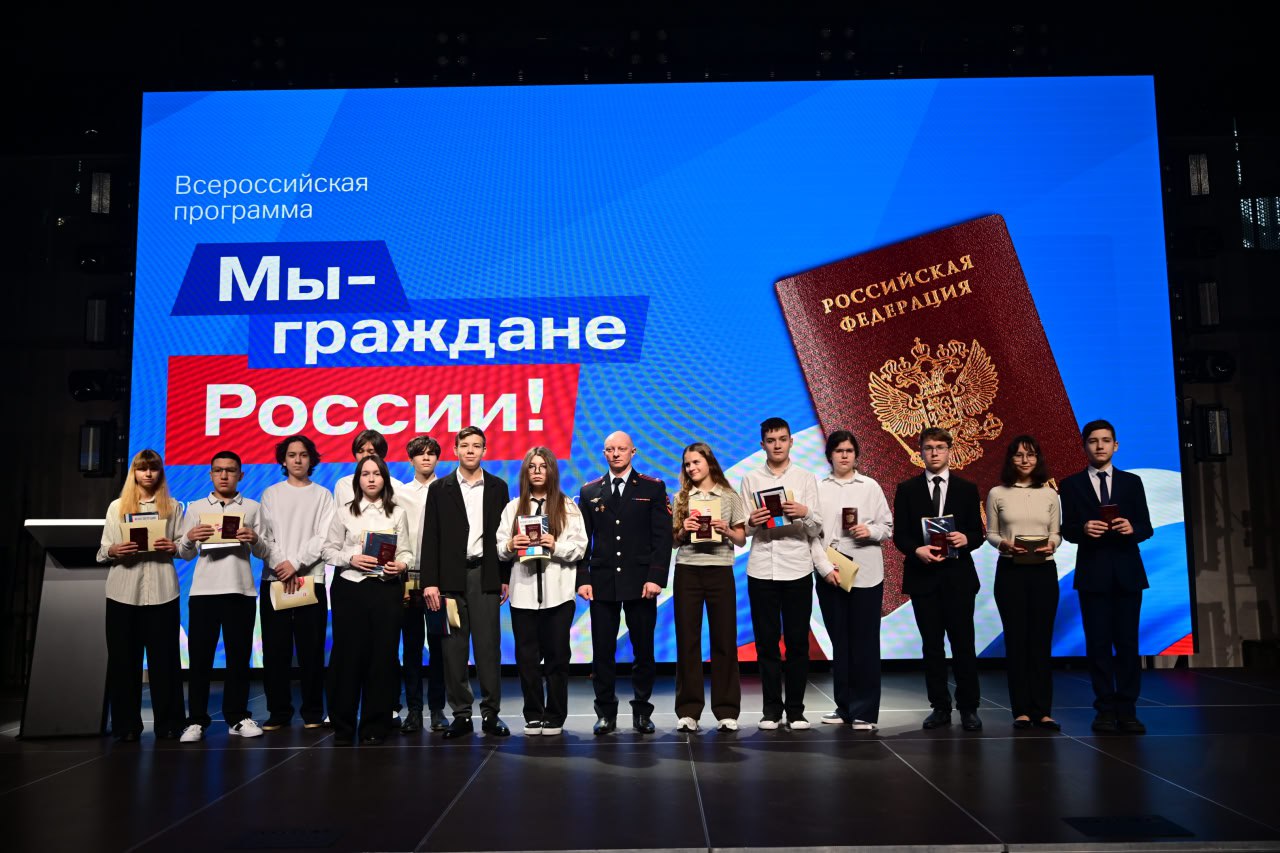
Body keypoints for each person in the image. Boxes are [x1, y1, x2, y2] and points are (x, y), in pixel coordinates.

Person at [1060, 419, 1154, 734]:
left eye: (1105, 440)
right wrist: (1083, 529)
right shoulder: (1071, 484)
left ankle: (1127, 710)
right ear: (1084, 446)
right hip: (1093, 572)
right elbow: (1067, 530)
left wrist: (1132, 528)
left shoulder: (1132, 482)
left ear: (1116, 445)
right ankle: (1104, 709)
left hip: (1128, 572)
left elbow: (1146, 526)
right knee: (1098, 644)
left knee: (1127, 643)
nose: (1099, 446)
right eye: (1093, 441)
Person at [577, 431, 672, 735]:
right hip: (602, 582)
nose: (615, 454)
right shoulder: (590, 491)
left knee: (643, 650)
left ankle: (642, 711)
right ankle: (605, 713)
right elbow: (582, 540)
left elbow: (662, 537)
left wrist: (656, 577)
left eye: (621, 449)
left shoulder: (652, 487)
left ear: (633, 452)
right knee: (602, 652)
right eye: (610, 449)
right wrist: (583, 578)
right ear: (604, 453)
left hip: (641, 581)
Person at [420, 426, 513, 739]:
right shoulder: (440, 488)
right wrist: (430, 583)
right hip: (449, 579)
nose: (470, 450)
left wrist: (504, 577)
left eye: (476, 445)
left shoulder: (498, 487)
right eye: (465, 445)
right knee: (453, 650)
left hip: (485, 575)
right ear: (455, 450)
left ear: (485, 450)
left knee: (488, 649)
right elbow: (430, 538)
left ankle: (491, 714)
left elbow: (504, 535)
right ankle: (461, 714)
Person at [892, 427, 985, 732]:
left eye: (940, 447)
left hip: (958, 578)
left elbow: (978, 533)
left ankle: (969, 708)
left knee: (963, 644)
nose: (934, 452)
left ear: (949, 451)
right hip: (924, 578)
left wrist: (966, 539)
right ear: (920, 451)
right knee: (932, 646)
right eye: (929, 447)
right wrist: (916, 549)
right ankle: (940, 707)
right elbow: (900, 535)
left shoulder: (966, 488)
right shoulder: (907, 489)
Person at [177, 450, 273, 742]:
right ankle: (196, 720)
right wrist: (190, 538)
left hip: (240, 590)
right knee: (200, 660)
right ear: (210, 474)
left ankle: (238, 717)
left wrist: (254, 539)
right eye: (218, 470)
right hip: (204, 592)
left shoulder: (253, 508)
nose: (224, 475)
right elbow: (184, 554)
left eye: (230, 470)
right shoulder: (195, 508)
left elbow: (265, 551)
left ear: (240, 475)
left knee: (238, 659)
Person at [321, 454, 413, 745]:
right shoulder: (344, 513)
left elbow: (407, 552)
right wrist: (351, 558)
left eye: (377, 473)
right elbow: (328, 551)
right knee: (347, 658)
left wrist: (401, 564)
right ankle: (343, 726)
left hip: (386, 589)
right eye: (365, 474)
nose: (371, 479)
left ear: (385, 479)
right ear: (357, 479)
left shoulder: (397, 513)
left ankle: (375, 725)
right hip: (351, 589)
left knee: (382, 658)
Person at [738, 417, 824, 731]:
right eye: (771, 440)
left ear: (791, 441)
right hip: (762, 568)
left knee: (798, 643)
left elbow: (817, 528)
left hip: (797, 567)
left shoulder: (805, 477)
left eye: (782, 439)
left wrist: (805, 513)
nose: (777, 445)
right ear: (762, 444)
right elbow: (743, 530)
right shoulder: (750, 479)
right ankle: (771, 710)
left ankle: (796, 710)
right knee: (766, 643)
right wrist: (752, 521)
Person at [497, 447, 588, 736]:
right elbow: (499, 548)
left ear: (551, 471)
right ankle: (533, 714)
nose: (537, 471)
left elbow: (580, 547)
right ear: (525, 472)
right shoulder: (513, 508)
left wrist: (554, 545)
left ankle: (555, 715)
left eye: (543, 466)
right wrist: (511, 544)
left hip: (558, 595)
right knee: (527, 660)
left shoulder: (567, 506)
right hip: (523, 595)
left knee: (558, 658)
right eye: (532, 466)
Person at [96, 449, 185, 742]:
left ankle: (169, 724)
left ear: (160, 472)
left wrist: (173, 547)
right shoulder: (117, 507)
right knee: (123, 661)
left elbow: (186, 547)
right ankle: (126, 726)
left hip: (163, 592)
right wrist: (114, 550)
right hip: (123, 592)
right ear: (133, 472)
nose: (148, 473)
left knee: (165, 662)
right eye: (142, 468)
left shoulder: (173, 506)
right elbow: (103, 549)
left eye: (153, 468)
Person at [811, 430, 892, 731]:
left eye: (849, 450)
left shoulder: (870, 486)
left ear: (856, 455)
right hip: (831, 572)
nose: (844, 455)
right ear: (829, 456)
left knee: (865, 643)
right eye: (838, 450)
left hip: (866, 572)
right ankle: (844, 706)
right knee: (840, 642)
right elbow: (812, 534)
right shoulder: (818, 488)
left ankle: (865, 711)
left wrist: (869, 531)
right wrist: (823, 568)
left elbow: (887, 527)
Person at [258, 434, 335, 731]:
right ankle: (278, 712)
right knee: (275, 651)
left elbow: (323, 537)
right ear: (284, 460)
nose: (298, 460)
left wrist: (296, 564)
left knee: (311, 651)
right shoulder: (271, 494)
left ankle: (313, 712)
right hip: (275, 579)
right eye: (292, 455)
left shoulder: (323, 495)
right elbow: (265, 537)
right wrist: (283, 566)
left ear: (311, 459)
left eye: (303, 454)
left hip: (310, 579)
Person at [986, 434, 1062, 731]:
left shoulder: (1050, 494)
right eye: (1018, 455)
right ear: (1010, 459)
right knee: (1017, 641)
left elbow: (1056, 532)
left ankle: (1043, 711)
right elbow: (991, 533)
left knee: (1041, 641)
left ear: (1037, 458)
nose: (1025, 460)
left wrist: (1052, 544)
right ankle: (1021, 711)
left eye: (1030, 454)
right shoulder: (997, 493)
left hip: (1043, 570)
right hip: (1010, 571)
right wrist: (1003, 544)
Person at [671, 442, 747, 733]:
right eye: (687, 464)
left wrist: (726, 529)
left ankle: (726, 710)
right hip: (688, 571)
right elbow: (673, 541)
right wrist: (684, 530)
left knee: (724, 640)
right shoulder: (681, 497)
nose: (691, 468)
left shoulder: (729, 496)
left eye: (696, 462)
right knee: (687, 641)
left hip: (720, 570)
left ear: (709, 462)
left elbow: (741, 538)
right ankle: (688, 711)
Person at [394, 434, 448, 734]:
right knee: (412, 646)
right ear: (411, 459)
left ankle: (438, 709)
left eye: (431, 453)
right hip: (407, 577)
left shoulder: (448, 489)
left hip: (438, 578)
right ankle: (414, 710)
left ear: (438, 458)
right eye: (420, 453)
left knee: (439, 645)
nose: (426, 458)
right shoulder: (399, 493)